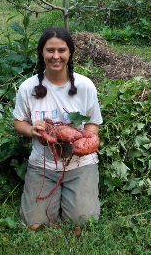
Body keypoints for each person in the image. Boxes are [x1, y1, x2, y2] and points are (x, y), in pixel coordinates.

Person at [13, 26, 103, 229]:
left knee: (83, 222)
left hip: (81, 165)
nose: (56, 56)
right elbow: (19, 121)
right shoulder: (28, 87)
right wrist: (31, 130)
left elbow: (93, 123)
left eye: (61, 50)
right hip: (42, 164)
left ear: (70, 52)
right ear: (41, 53)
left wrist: (86, 140)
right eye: (50, 50)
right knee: (34, 223)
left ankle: (75, 193)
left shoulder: (85, 86)